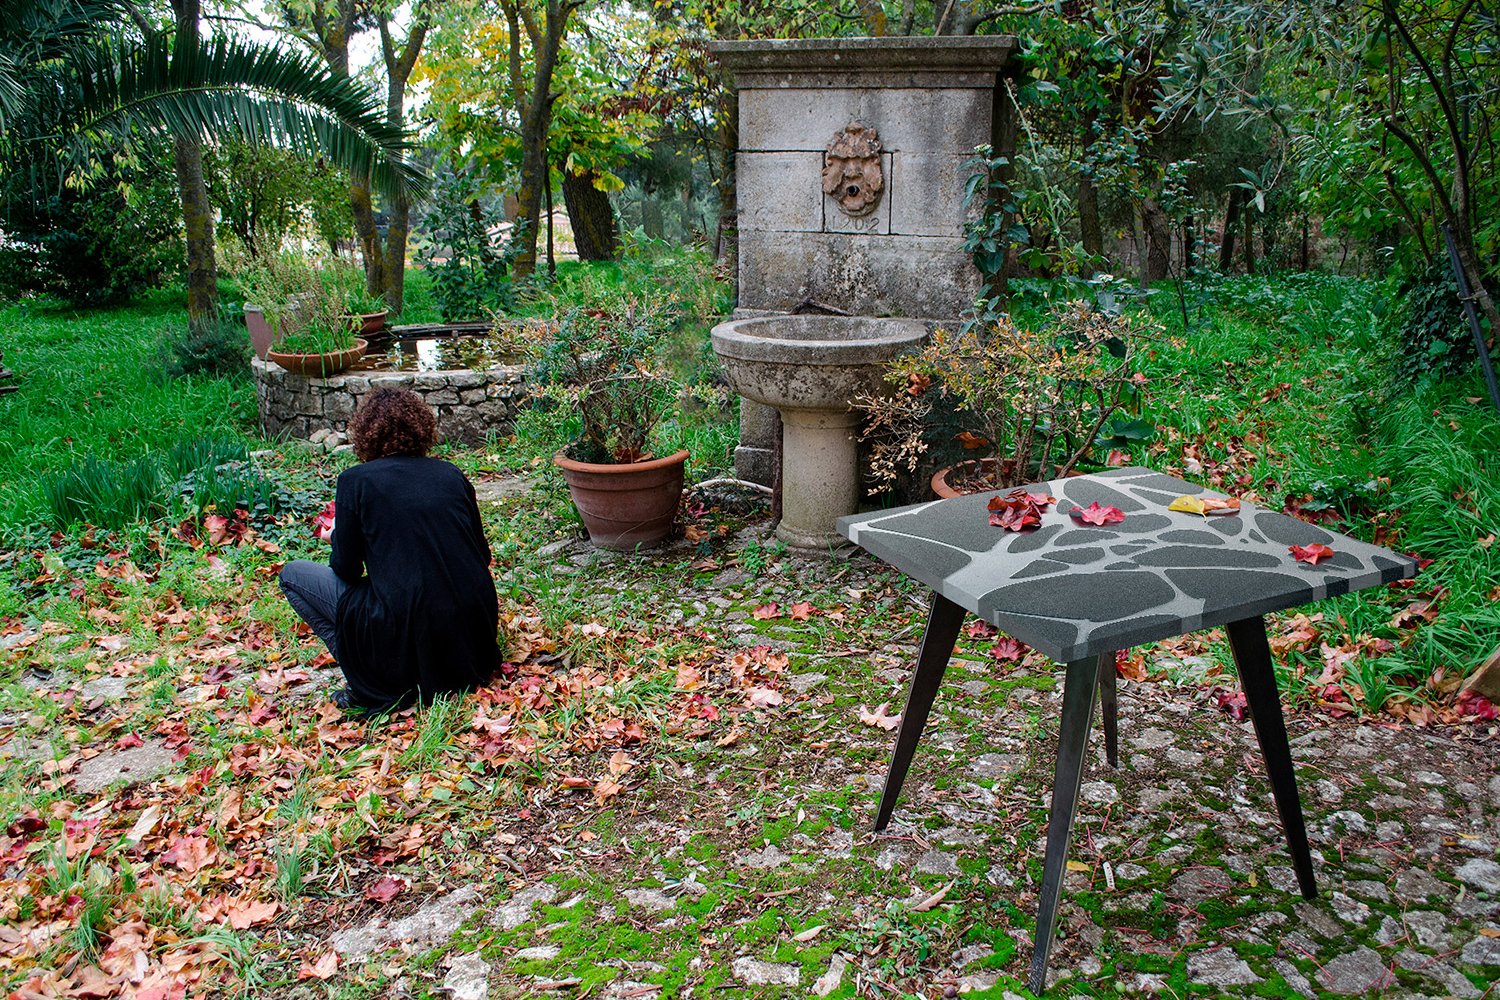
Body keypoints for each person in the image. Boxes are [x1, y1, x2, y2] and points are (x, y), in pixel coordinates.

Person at [279, 387, 499, 712]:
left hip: (412, 622)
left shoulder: (356, 481)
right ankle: (390, 662)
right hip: (475, 632)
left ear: (366, 433)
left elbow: (346, 570)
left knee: (292, 574)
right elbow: (482, 555)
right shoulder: (450, 474)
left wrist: (337, 536)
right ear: (421, 428)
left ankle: (369, 675)